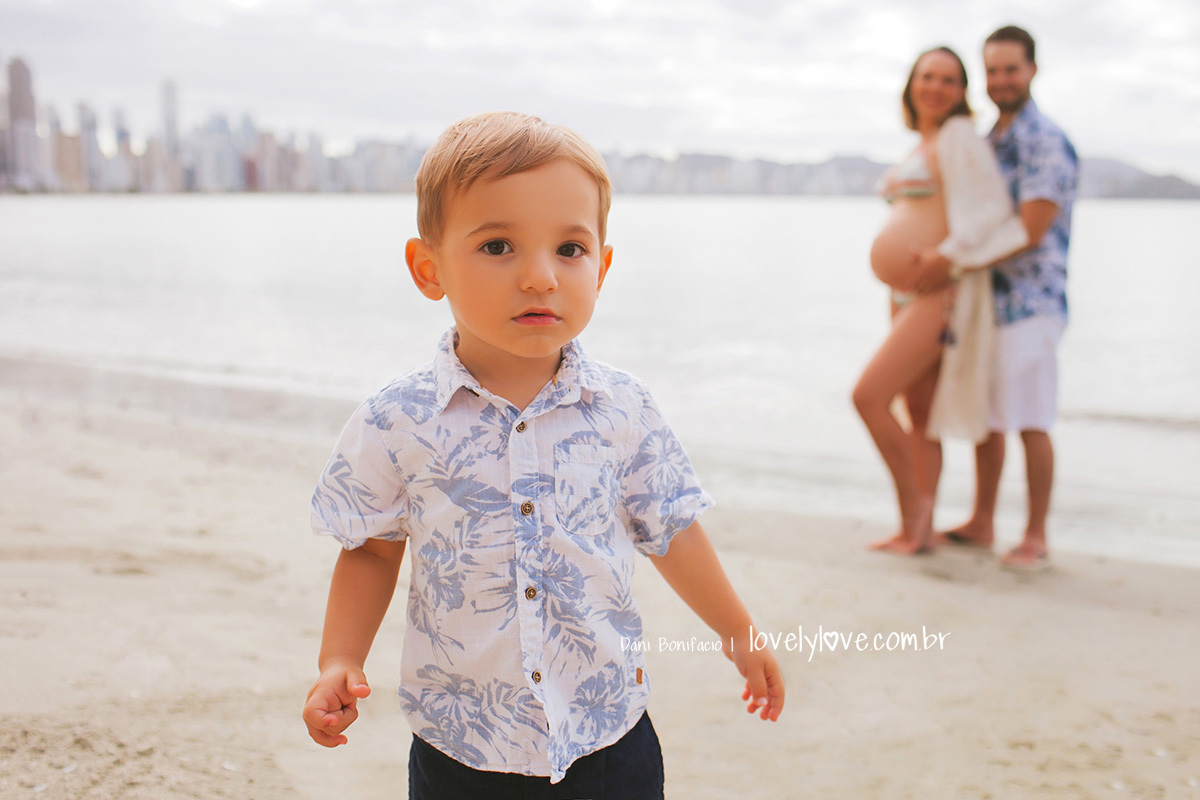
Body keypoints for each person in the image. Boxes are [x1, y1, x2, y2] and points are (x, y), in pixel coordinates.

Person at [301, 111, 784, 799]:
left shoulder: (623, 408)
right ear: (429, 268)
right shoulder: (397, 420)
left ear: (602, 267)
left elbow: (671, 529)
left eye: (569, 249)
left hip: (607, 736)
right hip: (462, 748)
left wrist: (738, 632)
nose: (539, 277)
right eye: (498, 246)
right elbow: (372, 552)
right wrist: (339, 659)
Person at [854, 46, 1028, 556]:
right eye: (927, 76)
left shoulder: (958, 136)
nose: (936, 86)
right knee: (919, 410)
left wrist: (945, 256)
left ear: (961, 92)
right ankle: (920, 529)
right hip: (905, 295)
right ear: (912, 84)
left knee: (868, 397)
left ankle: (914, 519)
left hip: (938, 293)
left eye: (949, 79)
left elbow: (991, 211)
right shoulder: (922, 142)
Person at [926, 26, 1079, 570]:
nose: (1001, 80)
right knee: (989, 417)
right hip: (987, 301)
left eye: (1011, 69)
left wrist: (950, 260)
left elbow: (1030, 231)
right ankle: (982, 521)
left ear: (1032, 69)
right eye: (992, 70)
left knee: (1031, 419)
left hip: (1032, 301)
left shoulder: (1046, 140)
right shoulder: (990, 139)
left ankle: (1036, 535)